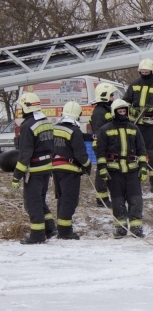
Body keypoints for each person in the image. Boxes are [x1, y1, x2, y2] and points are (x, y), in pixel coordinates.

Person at [95, 100, 148, 238]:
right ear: (114, 113)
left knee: (136, 200)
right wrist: (102, 169)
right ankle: (120, 228)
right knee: (117, 201)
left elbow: (141, 149)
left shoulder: (134, 128)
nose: (123, 114)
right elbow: (100, 152)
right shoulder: (105, 129)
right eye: (120, 112)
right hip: (114, 172)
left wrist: (142, 167)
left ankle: (136, 227)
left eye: (125, 111)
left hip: (132, 171)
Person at [11, 92, 55, 244]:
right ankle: (50, 228)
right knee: (40, 199)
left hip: (34, 170)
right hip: (47, 168)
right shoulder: (46, 122)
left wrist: (17, 175)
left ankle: (37, 235)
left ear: (26, 107)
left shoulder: (27, 126)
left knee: (33, 203)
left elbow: (25, 154)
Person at [124, 58, 153, 192]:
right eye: (142, 71)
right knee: (132, 153)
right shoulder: (134, 84)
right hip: (135, 124)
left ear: (152, 71)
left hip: (151, 125)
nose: (144, 73)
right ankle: (133, 180)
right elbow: (125, 101)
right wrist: (131, 110)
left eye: (146, 71)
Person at [52, 101, 92, 240]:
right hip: (70, 170)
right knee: (69, 200)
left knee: (62, 199)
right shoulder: (75, 131)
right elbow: (80, 153)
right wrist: (87, 166)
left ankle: (61, 228)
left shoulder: (55, 128)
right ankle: (65, 232)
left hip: (56, 169)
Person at [90, 82, 119, 207]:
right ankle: (102, 199)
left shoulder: (107, 110)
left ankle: (107, 196)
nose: (113, 98)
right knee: (102, 171)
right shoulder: (99, 112)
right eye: (111, 95)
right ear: (105, 96)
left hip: (109, 144)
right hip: (101, 146)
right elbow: (99, 131)